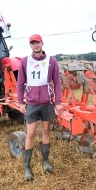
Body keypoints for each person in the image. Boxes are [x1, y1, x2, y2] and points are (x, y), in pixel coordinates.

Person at [17, 34, 63, 181]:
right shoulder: (25, 61)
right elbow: (20, 83)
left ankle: (46, 161)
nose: (36, 45)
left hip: (46, 102)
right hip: (31, 103)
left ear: (42, 43)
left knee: (45, 130)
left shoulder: (51, 61)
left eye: (38, 42)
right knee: (30, 133)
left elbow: (57, 82)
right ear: (30, 45)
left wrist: (58, 102)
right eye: (33, 43)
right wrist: (21, 101)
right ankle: (27, 167)